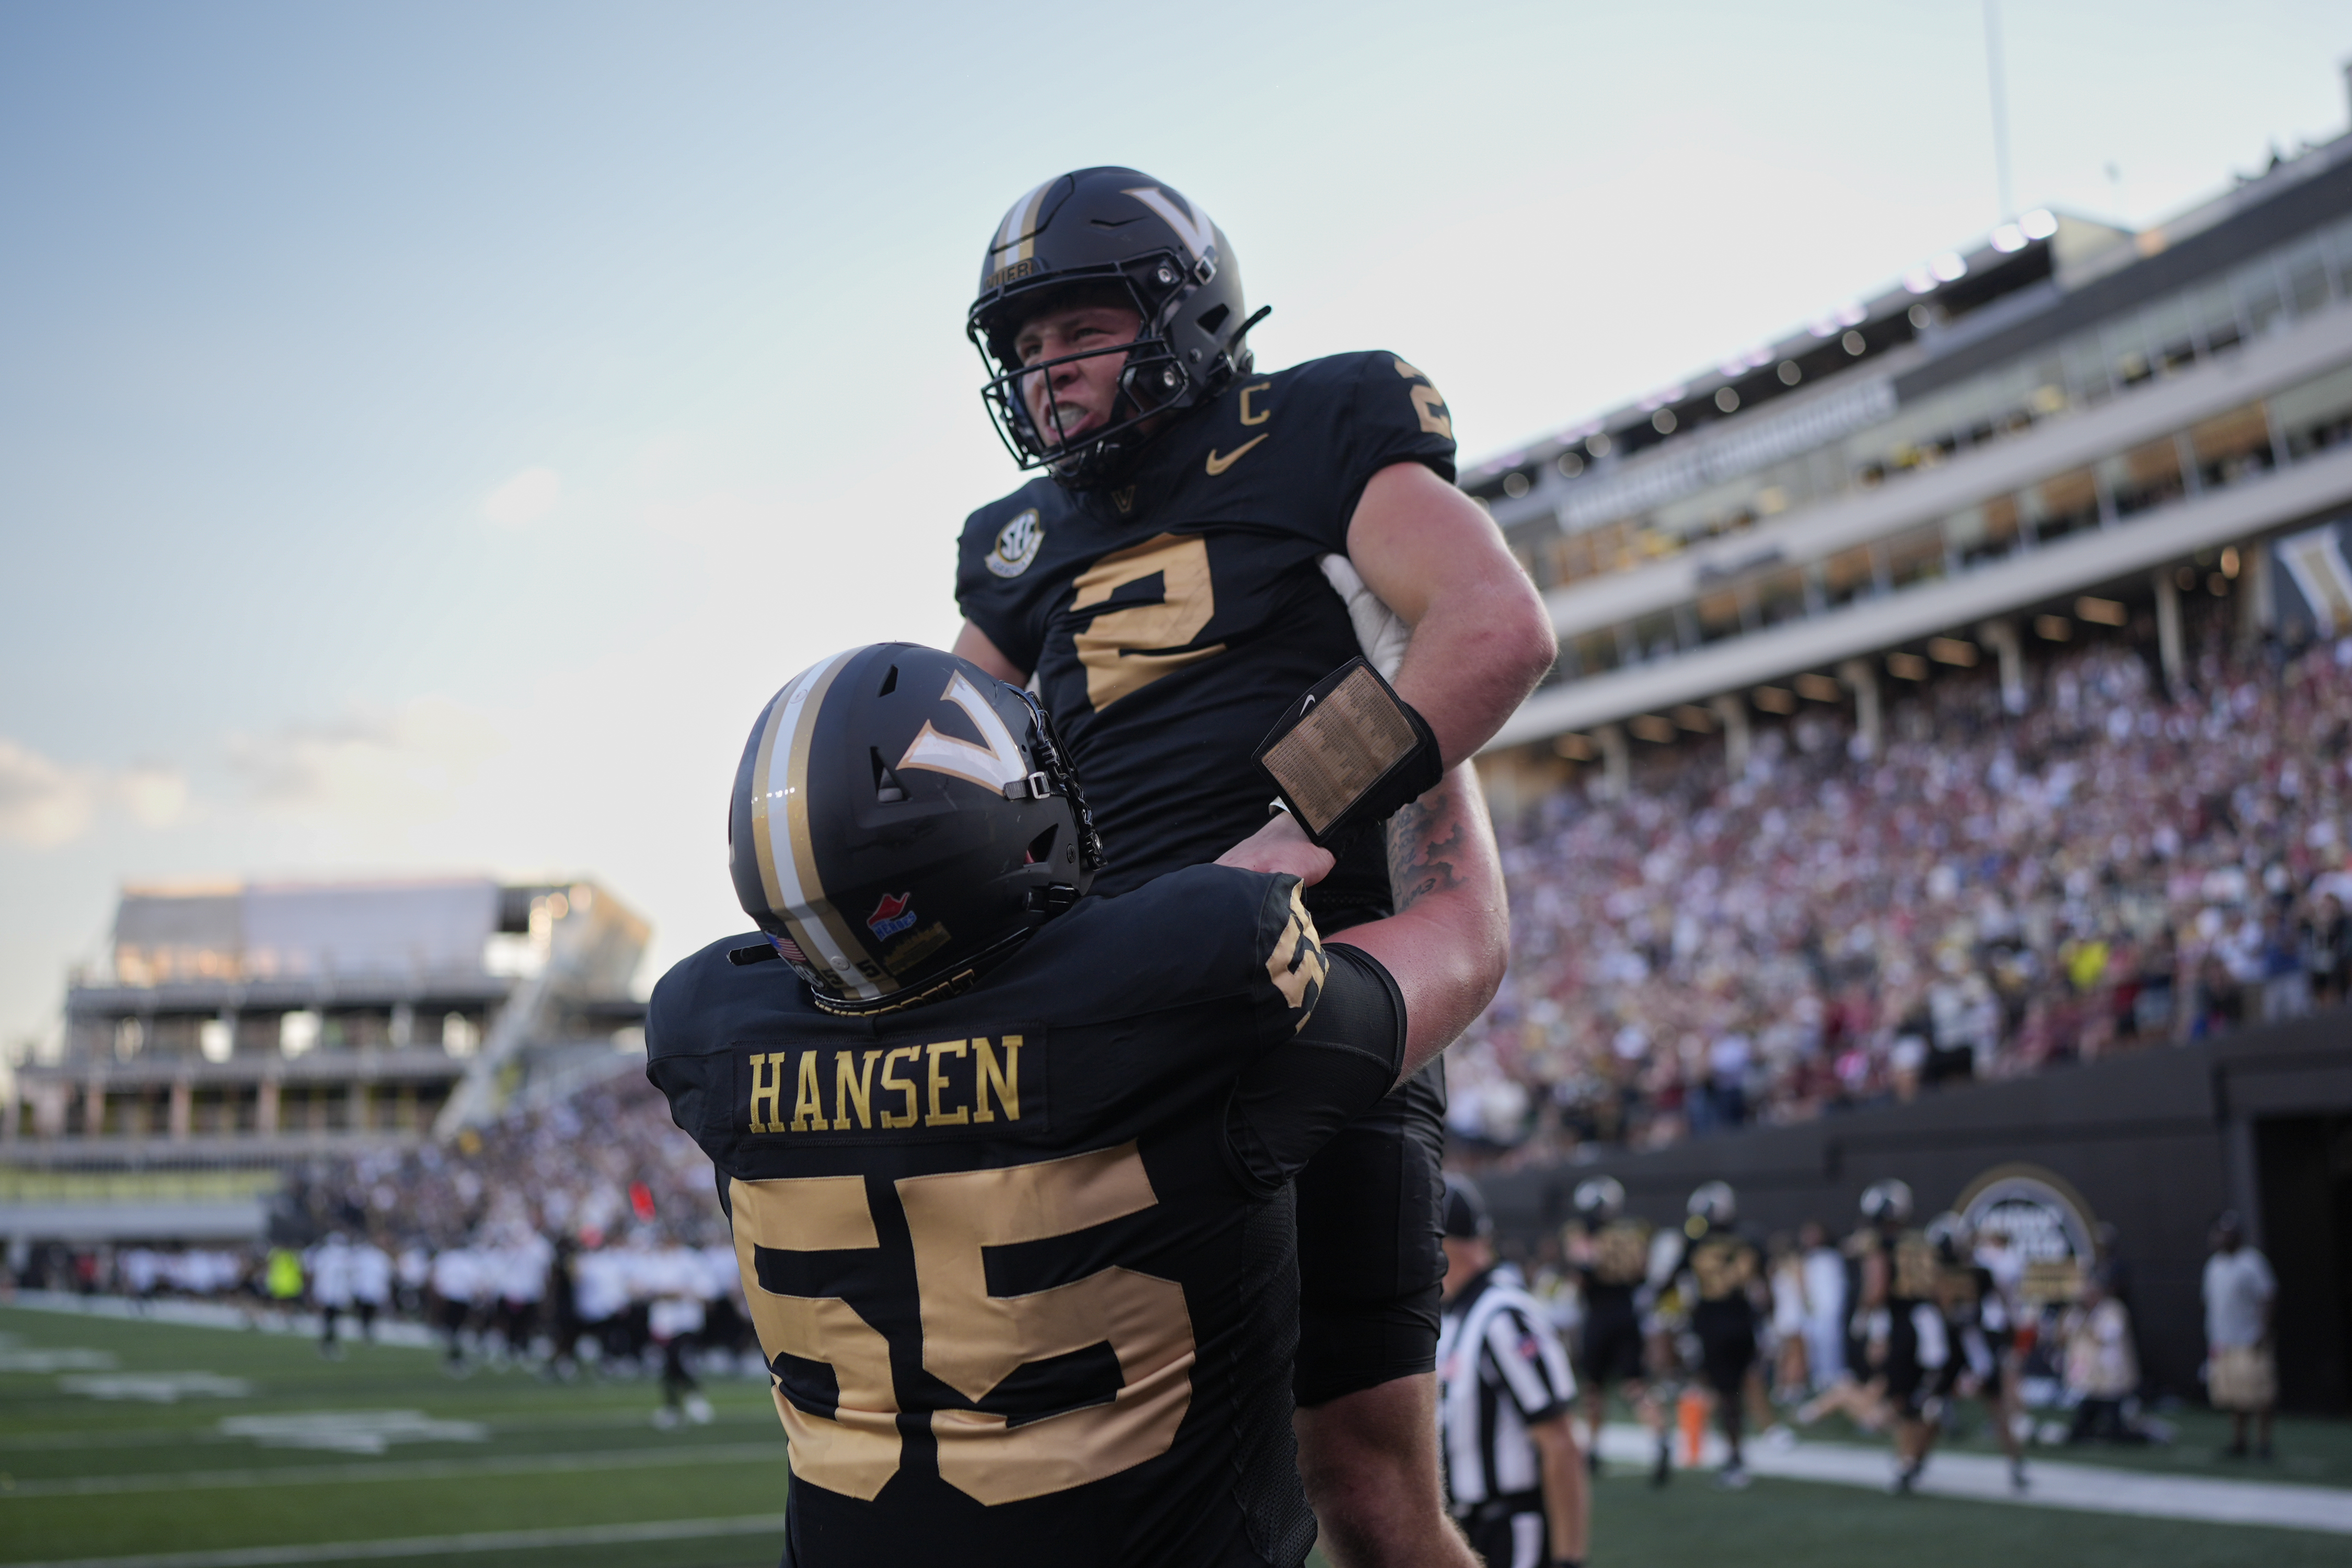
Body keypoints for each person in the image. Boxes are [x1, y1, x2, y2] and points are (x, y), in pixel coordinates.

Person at [950, 167, 1556, 1568]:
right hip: (1119, 1025)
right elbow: (931, 770)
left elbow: (1490, 622)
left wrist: (1300, 816)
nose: (1048, 372)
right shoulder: (1014, 547)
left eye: (1075, 330)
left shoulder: (1318, 423)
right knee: (1131, 1478)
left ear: (1182, 312)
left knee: (1365, 1486)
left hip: (1316, 981)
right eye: (1024, 348)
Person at [645, 642, 1509, 1567]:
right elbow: (1464, 939)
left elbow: (1006, 1039)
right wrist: (1421, 712)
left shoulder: (712, 1037)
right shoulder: (1193, 984)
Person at [1437, 1175, 1587, 1568]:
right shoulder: (1456, 1315)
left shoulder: (1503, 1316)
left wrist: (1568, 1559)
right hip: (1467, 1525)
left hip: (1510, 1528)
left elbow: (1560, 1442)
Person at [1668, 1182, 1766, 1489]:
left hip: (1712, 1323)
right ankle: (1735, 1451)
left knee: (1723, 1392)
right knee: (1735, 1389)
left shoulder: (1696, 1242)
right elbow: (1765, 1287)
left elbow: (1672, 1279)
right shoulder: (1749, 1240)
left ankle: (1732, 1456)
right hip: (1743, 1321)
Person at [1563, 1177, 1660, 1480]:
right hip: (1628, 1312)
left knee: (1594, 1387)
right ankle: (1660, 1440)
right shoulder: (1635, 1232)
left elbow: (1582, 1270)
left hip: (1600, 1315)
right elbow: (1643, 1273)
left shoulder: (1582, 1232)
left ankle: (1594, 1448)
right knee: (1636, 1385)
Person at [2203, 1211, 2277, 1459]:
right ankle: (2239, 1441)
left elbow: (2268, 1298)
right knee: (2233, 1396)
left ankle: (2264, 1443)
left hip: (2249, 1339)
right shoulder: (2214, 1265)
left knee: (2259, 1394)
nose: (2223, 1239)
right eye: (2220, 1234)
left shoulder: (2252, 1262)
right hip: (2224, 1342)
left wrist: (2263, 1333)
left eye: (2228, 1234)